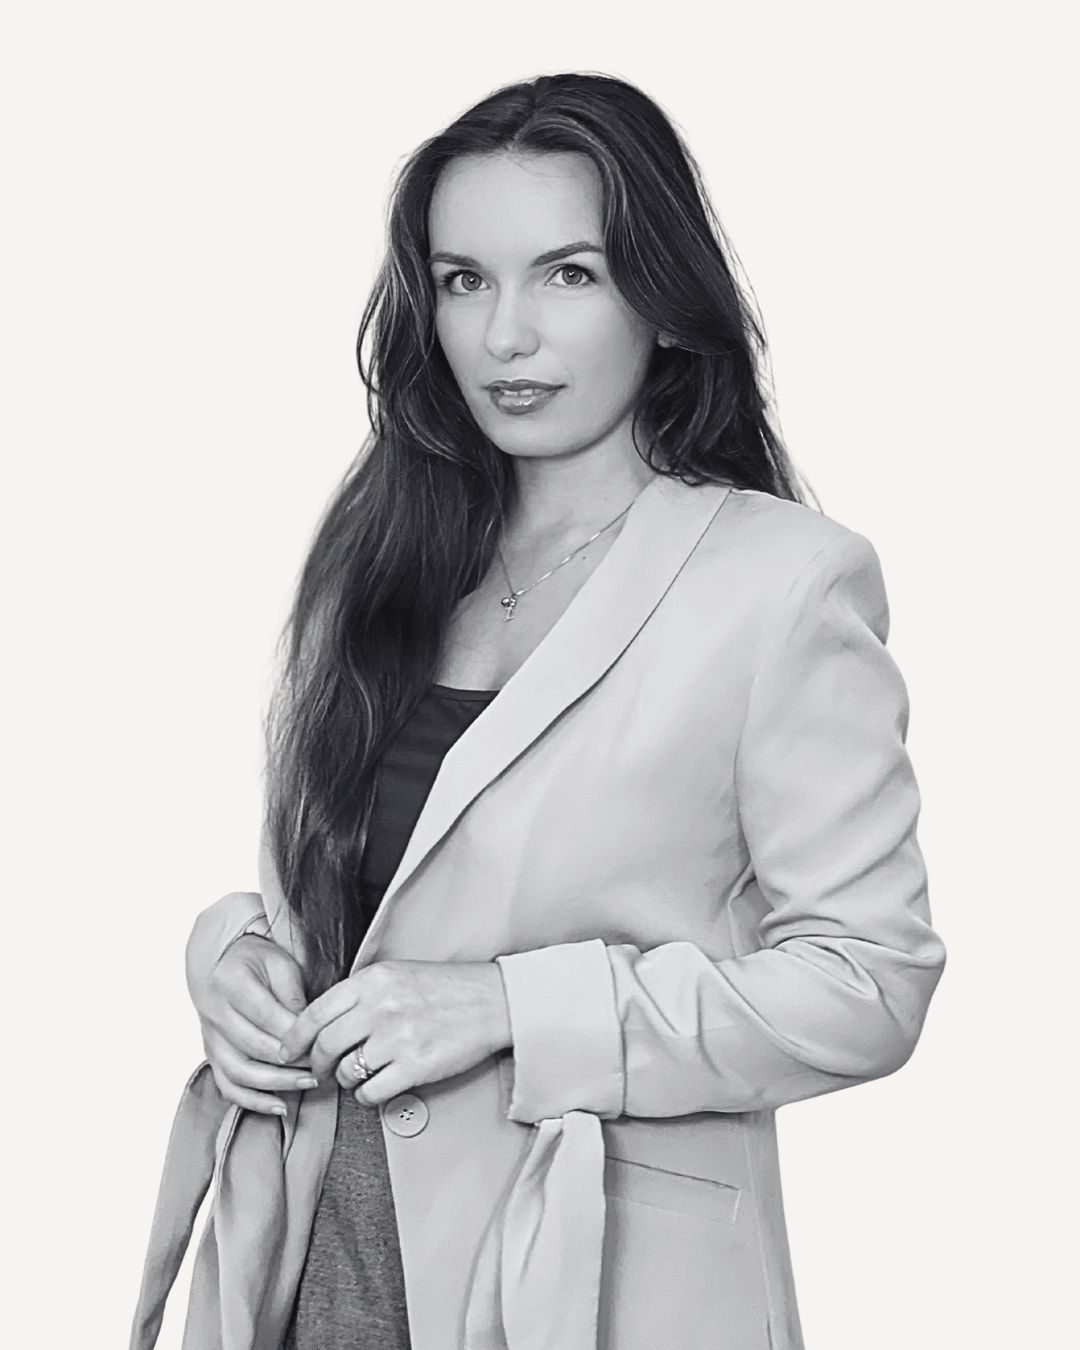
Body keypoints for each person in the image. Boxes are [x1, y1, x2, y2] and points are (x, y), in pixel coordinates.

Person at [130, 71, 947, 1350]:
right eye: (464, 280)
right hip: (316, 1255)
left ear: (660, 298)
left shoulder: (781, 584)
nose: (504, 336)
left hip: (590, 1287)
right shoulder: (380, 554)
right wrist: (233, 955)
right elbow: (372, 892)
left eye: (567, 274)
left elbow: (868, 983)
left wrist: (512, 1008)